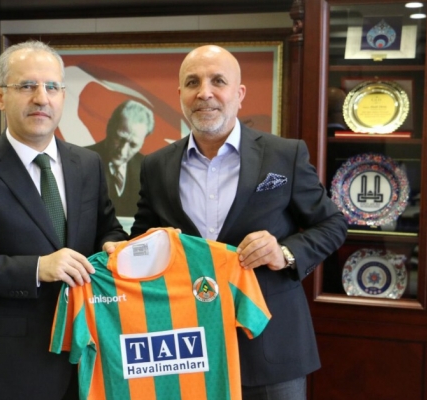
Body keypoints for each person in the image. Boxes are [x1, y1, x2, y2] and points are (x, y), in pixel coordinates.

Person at [130, 45, 348, 399]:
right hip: (184, 347)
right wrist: (133, 250)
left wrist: (285, 253)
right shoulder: (156, 165)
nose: (205, 93)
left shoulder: (284, 155)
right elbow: (142, 237)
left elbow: (332, 224)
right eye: (193, 82)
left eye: (218, 81)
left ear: (240, 93)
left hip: (269, 344)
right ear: (180, 94)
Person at [0, 40, 127, 400]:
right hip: (14, 368)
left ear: (63, 96)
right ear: (0, 96)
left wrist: (114, 246)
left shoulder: (88, 164)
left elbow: (107, 228)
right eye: (26, 86)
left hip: (91, 357)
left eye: (52, 87)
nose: (41, 98)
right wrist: (37, 268)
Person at [86, 99, 154, 216]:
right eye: (120, 138)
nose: (122, 151)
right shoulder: (81, 161)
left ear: (142, 143)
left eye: (133, 145)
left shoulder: (147, 169)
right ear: (109, 127)